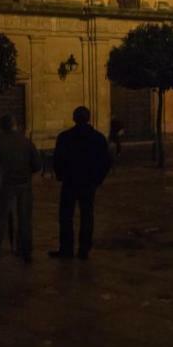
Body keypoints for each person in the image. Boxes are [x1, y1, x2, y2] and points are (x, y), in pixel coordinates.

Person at [50, 106, 112, 260]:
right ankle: (84, 250)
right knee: (87, 215)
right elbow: (106, 161)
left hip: (70, 182)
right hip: (88, 183)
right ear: (89, 118)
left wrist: (61, 176)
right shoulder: (98, 138)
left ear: (74, 118)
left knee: (66, 216)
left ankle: (66, 249)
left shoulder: (65, 137)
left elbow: (57, 159)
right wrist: (98, 179)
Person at [0, 115, 41, 262]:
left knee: (1, 217)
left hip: (6, 184)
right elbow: (37, 165)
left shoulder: (0, 143)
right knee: (25, 219)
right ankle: (25, 251)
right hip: (24, 184)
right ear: (15, 125)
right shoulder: (26, 142)